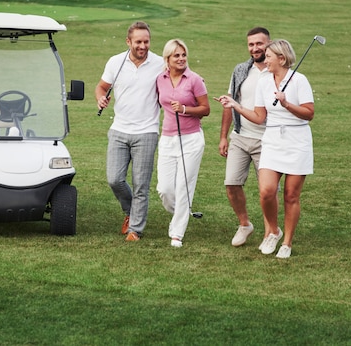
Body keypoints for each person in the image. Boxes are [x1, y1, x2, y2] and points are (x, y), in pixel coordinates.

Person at [216, 39, 314, 259]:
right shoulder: (264, 82)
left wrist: (287, 104)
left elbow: (309, 113)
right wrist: (236, 106)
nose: (265, 60)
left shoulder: (299, 80)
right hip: (272, 140)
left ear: (281, 58)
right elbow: (260, 117)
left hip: (297, 141)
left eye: (269, 56)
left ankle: (287, 242)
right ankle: (274, 231)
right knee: (266, 191)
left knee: (291, 195)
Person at [95, 21, 163, 242]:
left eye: (146, 41)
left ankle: (135, 229)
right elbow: (101, 87)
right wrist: (100, 98)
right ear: (128, 42)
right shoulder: (116, 62)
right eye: (138, 42)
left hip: (147, 131)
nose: (143, 46)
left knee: (141, 184)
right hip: (119, 130)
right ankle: (130, 211)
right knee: (114, 179)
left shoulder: (160, 64)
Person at [219, 27, 274, 248]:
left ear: (269, 43)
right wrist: (223, 136)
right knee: (231, 184)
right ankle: (244, 225)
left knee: (267, 192)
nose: (255, 48)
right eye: (251, 44)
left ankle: (270, 233)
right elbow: (230, 103)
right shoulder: (241, 70)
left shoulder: (277, 71)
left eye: (259, 44)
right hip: (241, 137)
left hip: (268, 140)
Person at [156, 39, 210, 248]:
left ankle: (177, 233)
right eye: (176, 56)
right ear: (167, 59)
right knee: (165, 189)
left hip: (191, 139)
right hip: (168, 138)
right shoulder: (160, 79)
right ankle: (183, 211)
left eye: (183, 55)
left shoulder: (195, 80)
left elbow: (205, 109)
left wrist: (186, 109)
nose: (181, 59)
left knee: (183, 187)